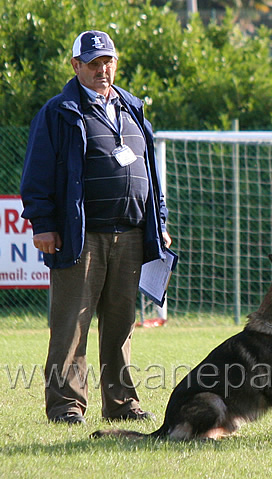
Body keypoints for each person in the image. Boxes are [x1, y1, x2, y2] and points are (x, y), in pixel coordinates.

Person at [20, 30, 171, 425]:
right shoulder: (58, 111)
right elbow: (35, 176)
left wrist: (160, 222)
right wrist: (43, 224)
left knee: (121, 325)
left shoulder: (132, 108)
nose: (102, 69)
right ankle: (66, 406)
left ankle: (121, 404)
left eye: (108, 61)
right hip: (80, 236)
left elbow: (150, 174)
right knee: (71, 324)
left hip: (132, 233)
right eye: (93, 63)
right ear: (76, 66)